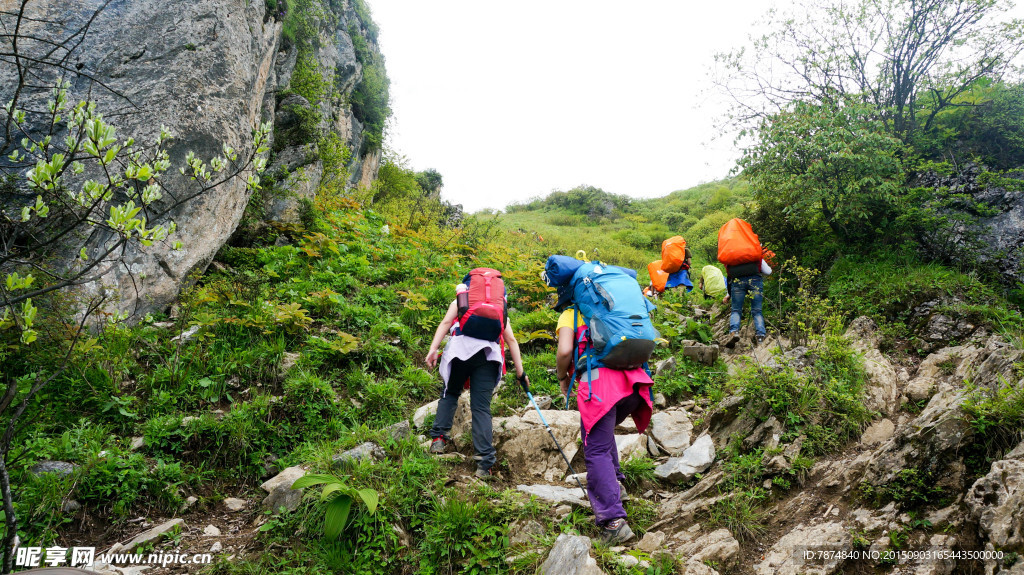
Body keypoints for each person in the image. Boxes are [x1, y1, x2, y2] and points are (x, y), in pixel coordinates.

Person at [555, 308, 653, 545]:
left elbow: (565, 350)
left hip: (600, 384)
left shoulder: (572, 313)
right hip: (633, 383)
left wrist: (562, 378)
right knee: (601, 434)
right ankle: (617, 488)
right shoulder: (616, 307)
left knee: (595, 448)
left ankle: (613, 523)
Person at [425, 295, 527, 479]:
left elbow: (446, 322)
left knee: (451, 393)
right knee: (481, 408)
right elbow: (511, 340)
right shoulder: (499, 305)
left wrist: (433, 348)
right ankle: (484, 465)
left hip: (459, 352)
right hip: (488, 357)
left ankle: (438, 440)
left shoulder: (461, 300)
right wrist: (521, 373)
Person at [722, 256, 772, 347]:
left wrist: (728, 294)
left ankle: (734, 332)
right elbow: (768, 271)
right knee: (757, 311)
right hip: (755, 280)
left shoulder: (733, 255)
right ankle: (760, 336)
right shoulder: (754, 253)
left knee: (736, 310)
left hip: (737, 281)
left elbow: (729, 275)